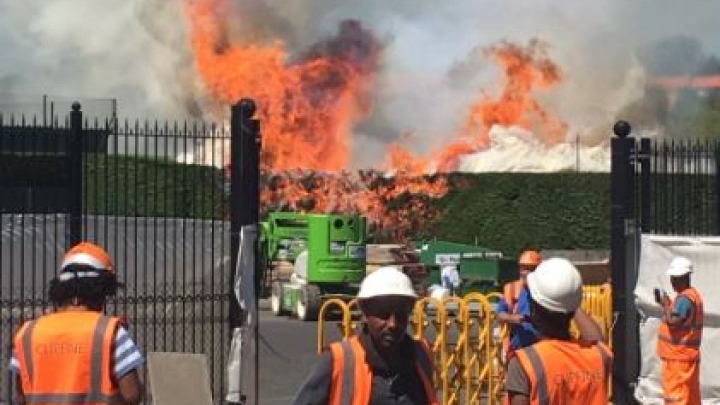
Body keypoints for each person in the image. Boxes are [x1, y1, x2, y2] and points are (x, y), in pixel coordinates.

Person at [9, 242, 144, 405]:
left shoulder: (28, 333)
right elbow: (131, 395)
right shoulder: (110, 331)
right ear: (101, 289)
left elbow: (21, 397)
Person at [292, 266, 439, 405]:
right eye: (383, 314)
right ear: (365, 315)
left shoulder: (421, 355)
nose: (393, 324)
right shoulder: (340, 360)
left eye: (401, 314)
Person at [506, 258, 612, 405]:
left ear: (534, 309)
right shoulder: (598, 356)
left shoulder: (525, 363)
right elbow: (598, 339)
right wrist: (568, 302)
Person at [655, 257, 703, 405]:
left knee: (676, 399)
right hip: (686, 358)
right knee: (690, 398)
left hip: (678, 361)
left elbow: (673, 321)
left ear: (685, 277)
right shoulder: (692, 296)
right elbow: (678, 317)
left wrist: (664, 305)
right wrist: (667, 303)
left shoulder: (684, 299)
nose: (672, 282)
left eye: (675, 279)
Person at [496, 249, 543, 359]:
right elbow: (499, 315)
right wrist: (512, 318)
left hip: (542, 348)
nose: (526, 272)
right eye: (524, 268)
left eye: (531, 269)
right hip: (518, 348)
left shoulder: (547, 290)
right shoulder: (512, 289)